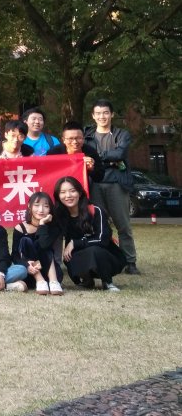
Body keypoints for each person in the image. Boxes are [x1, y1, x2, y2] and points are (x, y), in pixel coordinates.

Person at [84, 99, 139, 275]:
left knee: (123, 225)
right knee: (98, 225)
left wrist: (97, 157)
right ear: (93, 116)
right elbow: (82, 155)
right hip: (94, 184)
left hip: (116, 183)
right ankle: (105, 259)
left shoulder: (122, 134)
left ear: (112, 114)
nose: (102, 116)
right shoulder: (87, 136)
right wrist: (109, 160)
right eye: (98, 113)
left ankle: (130, 262)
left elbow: (120, 153)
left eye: (106, 113)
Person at [51, 176, 125, 291]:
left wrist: (75, 243)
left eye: (72, 191)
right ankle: (87, 279)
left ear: (80, 193)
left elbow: (102, 239)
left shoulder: (95, 210)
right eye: (63, 192)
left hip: (107, 254)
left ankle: (107, 281)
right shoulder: (60, 215)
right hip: (81, 252)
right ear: (58, 196)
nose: (68, 195)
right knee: (69, 257)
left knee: (94, 251)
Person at [10, 192, 63, 295]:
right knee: (25, 240)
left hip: (50, 272)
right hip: (31, 273)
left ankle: (54, 281)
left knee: (44, 244)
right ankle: (40, 280)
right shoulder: (20, 228)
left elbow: (44, 245)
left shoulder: (53, 228)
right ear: (29, 206)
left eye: (46, 206)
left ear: (50, 209)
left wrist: (42, 224)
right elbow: (15, 255)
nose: (41, 210)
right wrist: (26, 265)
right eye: (37, 205)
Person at [47, 121, 105, 187]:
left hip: (82, 187)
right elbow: (47, 175)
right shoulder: (53, 153)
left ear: (83, 139)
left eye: (78, 138)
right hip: (58, 186)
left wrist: (91, 169)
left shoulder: (90, 152)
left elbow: (100, 177)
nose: (75, 142)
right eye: (70, 139)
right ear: (63, 140)